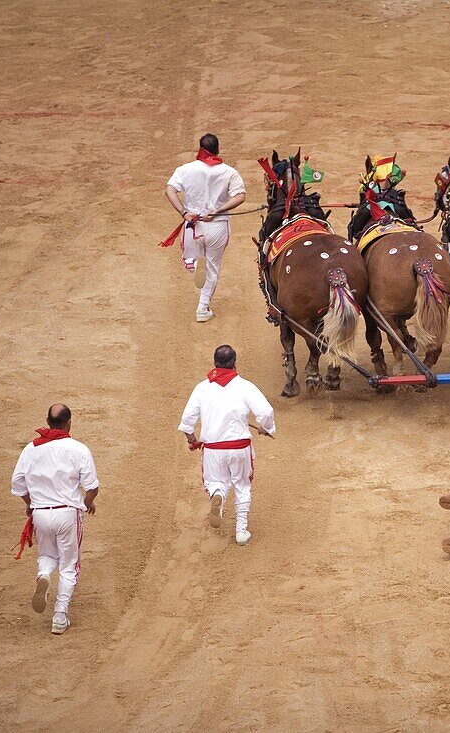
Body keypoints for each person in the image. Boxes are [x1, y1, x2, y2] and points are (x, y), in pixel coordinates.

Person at [11, 404, 100, 635]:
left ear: (47, 421)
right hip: (67, 513)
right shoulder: (78, 449)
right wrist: (87, 503)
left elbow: (18, 485)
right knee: (69, 565)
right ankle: (60, 616)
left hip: (41, 513)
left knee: (48, 555)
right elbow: (92, 487)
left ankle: (43, 576)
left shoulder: (31, 449)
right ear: (69, 423)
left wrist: (30, 505)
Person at [178, 345, 275, 546]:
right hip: (240, 447)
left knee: (216, 482)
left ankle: (218, 494)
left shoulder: (202, 388)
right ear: (234, 363)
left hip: (214, 448)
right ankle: (241, 531)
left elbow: (187, 420)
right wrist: (266, 428)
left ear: (215, 363)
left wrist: (192, 440)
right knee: (242, 485)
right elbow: (265, 412)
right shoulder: (245, 386)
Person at [165, 133, 247, 323]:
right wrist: (217, 210)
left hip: (192, 224)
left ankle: (193, 264)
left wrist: (184, 212)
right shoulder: (229, 172)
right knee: (212, 267)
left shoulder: (186, 169)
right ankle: (202, 308)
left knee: (195, 258)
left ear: (200, 148)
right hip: (216, 226)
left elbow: (169, 190)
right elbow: (240, 196)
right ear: (218, 149)